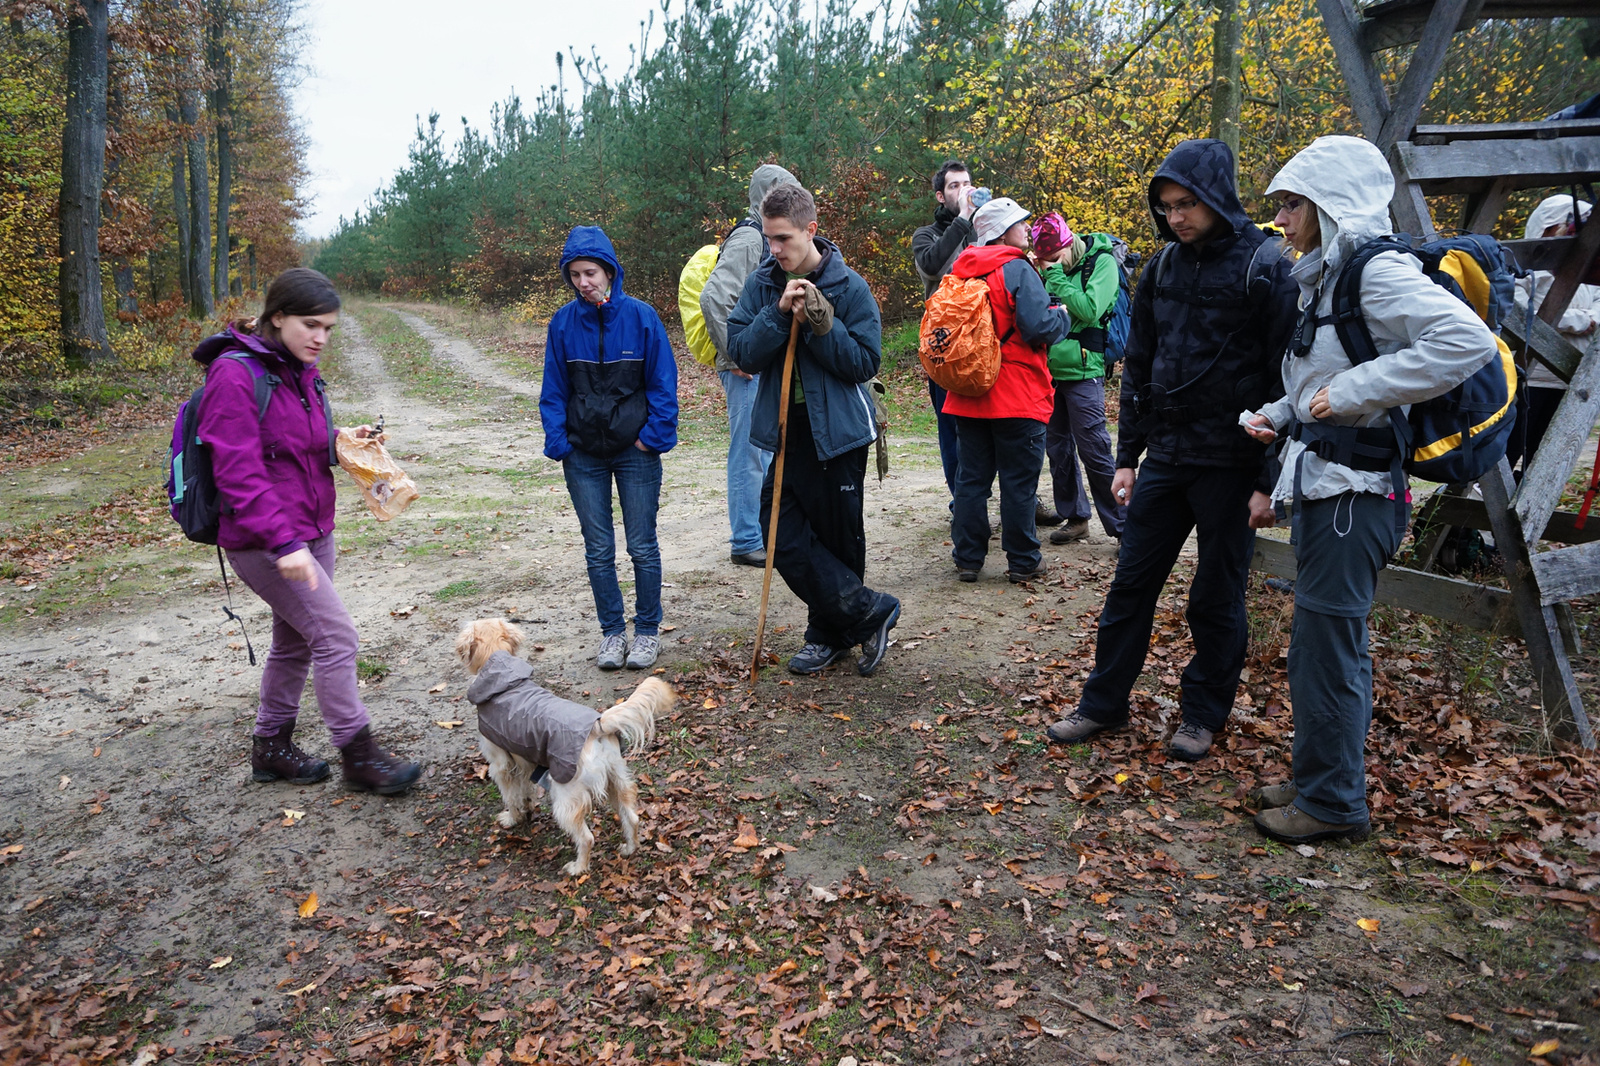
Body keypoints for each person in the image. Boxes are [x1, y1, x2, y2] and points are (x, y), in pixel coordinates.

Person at [1242, 135, 1498, 843]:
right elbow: (1322, 380)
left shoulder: (1374, 273)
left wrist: (1346, 392)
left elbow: (1464, 343)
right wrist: (1284, 413)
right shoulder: (1325, 277)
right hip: (1331, 487)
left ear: (1330, 205)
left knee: (1330, 650)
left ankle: (1332, 805)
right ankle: (1318, 775)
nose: (1283, 219)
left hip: (1357, 497)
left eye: (1293, 203)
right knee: (1318, 648)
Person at [1045, 138, 1295, 762]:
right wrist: (1128, 457)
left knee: (1215, 595)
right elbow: (1142, 368)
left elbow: (1283, 380)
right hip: (1168, 460)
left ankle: (1203, 714)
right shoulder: (1160, 269)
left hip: (1233, 465)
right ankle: (1103, 703)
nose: (1177, 216)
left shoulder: (1266, 266)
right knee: (1130, 584)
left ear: (1217, 196)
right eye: (1167, 206)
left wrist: (1270, 478)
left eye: (1188, 203)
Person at [199, 268, 423, 794]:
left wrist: (343, 437)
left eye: (328, 328)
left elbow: (294, 440)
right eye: (310, 325)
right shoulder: (235, 376)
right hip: (266, 541)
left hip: (312, 531)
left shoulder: (298, 368)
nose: (320, 337)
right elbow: (238, 471)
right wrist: (283, 543)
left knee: (296, 642)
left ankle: (270, 748)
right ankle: (360, 756)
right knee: (336, 635)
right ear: (277, 317)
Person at [727, 183, 900, 676]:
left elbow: (863, 362)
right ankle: (869, 613)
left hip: (840, 431)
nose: (774, 249)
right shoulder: (764, 284)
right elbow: (741, 351)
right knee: (777, 531)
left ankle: (826, 637)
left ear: (811, 230)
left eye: (783, 239)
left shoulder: (849, 286)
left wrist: (823, 325)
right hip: (785, 427)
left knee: (837, 537)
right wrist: (778, 315)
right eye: (769, 239)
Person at [540, 226, 679, 671]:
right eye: (576, 274)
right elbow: (553, 391)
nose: (585, 282)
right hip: (583, 457)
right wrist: (561, 444)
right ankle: (612, 634)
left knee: (642, 545)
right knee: (598, 549)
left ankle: (647, 632)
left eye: (592, 272)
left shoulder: (642, 318)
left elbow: (663, 385)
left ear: (610, 271)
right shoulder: (562, 324)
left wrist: (650, 438)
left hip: (635, 452)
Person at [942, 197, 1074, 582]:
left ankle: (967, 558)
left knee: (972, 480)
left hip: (967, 394)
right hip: (1016, 394)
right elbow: (1037, 328)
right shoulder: (1016, 269)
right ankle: (1023, 561)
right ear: (1003, 233)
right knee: (1018, 483)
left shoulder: (961, 270)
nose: (1028, 229)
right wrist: (1061, 318)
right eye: (1021, 223)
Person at [699, 163, 800, 567]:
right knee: (749, 451)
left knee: (763, 450)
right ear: (768, 195)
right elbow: (713, 297)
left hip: (757, 360)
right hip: (745, 366)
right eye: (786, 192)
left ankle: (759, 533)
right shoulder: (748, 237)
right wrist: (737, 354)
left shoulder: (762, 236)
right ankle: (745, 540)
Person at [1038, 219, 1128, 544]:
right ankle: (1076, 518)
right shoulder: (1051, 268)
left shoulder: (1102, 263)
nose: (1050, 264)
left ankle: (1124, 528)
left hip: (1084, 371)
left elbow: (1090, 310)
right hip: (1050, 373)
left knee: (1095, 450)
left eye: (1055, 256)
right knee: (1057, 449)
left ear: (1068, 242)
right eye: (1045, 259)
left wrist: (1056, 276)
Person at [1507, 195, 1598, 473]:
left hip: (1573, 377)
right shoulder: (1522, 273)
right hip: (1528, 378)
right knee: (1508, 449)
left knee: (1546, 460)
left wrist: (1575, 319)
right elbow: (1523, 316)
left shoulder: (1592, 274)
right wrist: (1576, 321)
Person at [911, 160, 979, 510]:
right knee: (951, 427)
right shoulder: (927, 234)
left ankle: (1018, 500)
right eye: (954, 185)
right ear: (940, 195)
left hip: (983, 345)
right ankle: (963, 503)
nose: (963, 189)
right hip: (945, 347)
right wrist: (964, 220)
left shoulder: (983, 227)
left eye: (967, 183)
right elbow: (932, 265)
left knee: (994, 427)